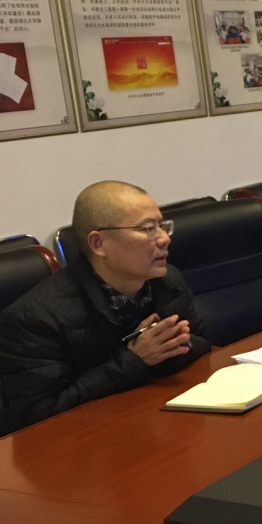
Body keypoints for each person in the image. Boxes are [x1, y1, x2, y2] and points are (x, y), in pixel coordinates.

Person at [0, 181, 210, 436]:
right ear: (98, 243)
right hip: (82, 446)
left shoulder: (167, 281)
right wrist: (134, 360)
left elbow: (201, 344)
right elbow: (36, 419)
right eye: (147, 228)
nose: (165, 238)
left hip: (151, 421)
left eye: (162, 226)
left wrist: (159, 352)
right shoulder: (35, 318)